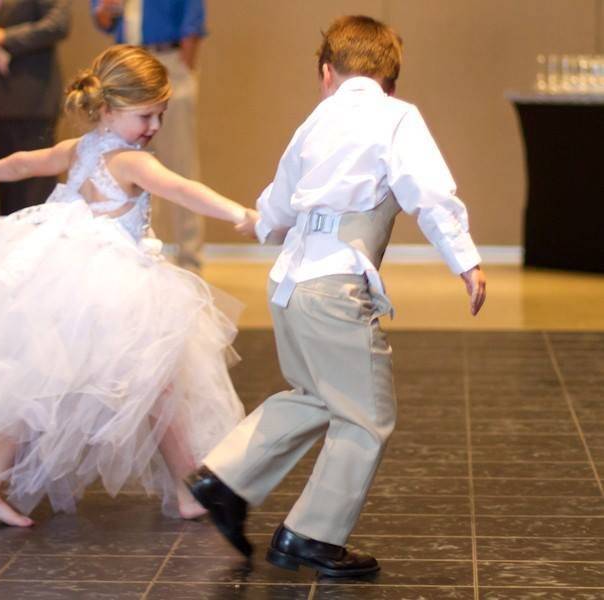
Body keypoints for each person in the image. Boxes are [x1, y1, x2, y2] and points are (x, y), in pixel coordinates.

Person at [0, 45, 257, 527]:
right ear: (107, 109)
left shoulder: (82, 149)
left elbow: (22, 163)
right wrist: (237, 213)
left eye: (160, 115)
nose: (154, 128)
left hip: (71, 277)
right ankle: (185, 489)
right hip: (110, 285)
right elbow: (183, 189)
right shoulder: (130, 161)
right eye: (146, 116)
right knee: (150, 380)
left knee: (76, 383)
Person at [187, 15, 488, 577]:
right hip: (337, 285)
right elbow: (429, 191)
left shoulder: (315, 121)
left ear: (326, 73)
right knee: (367, 415)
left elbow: (279, 201)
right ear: (391, 81)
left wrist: (258, 225)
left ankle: (222, 478)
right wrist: (464, 258)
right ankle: (309, 535)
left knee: (316, 394)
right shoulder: (397, 116)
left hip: (289, 284)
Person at [91, 0, 205, 272]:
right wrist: (107, 9)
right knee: (126, 167)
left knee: (179, 164)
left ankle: (190, 261)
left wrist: (184, 71)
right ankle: (144, 255)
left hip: (166, 62)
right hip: (124, 65)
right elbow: (101, 21)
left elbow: (193, 23)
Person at [0, 0, 71, 215]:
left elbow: (58, 24)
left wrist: (6, 36)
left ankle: (38, 246)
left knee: (34, 191)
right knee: (6, 192)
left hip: (31, 99)